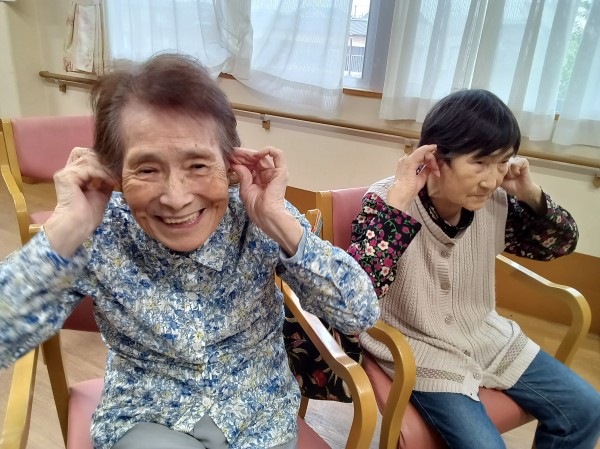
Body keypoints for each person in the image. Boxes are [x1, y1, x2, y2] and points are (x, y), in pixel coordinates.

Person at [0, 53, 379, 449]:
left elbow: (359, 313)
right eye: (147, 169)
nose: (176, 198)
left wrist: (280, 223)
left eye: (198, 165)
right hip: (148, 420)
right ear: (115, 172)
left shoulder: (256, 216)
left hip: (259, 421)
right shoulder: (102, 230)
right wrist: (66, 228)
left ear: (230, 164)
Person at [349, 89, 600, 449]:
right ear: (435, 158)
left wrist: (529, 193)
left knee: (587, 410)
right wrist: (397, 207)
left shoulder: (495, 203)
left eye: (502, 162)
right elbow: (357, 290)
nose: (491, 179)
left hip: (486, 337)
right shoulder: (389, 199)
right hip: (419, 348)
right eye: (479, 163)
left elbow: (561, 244)